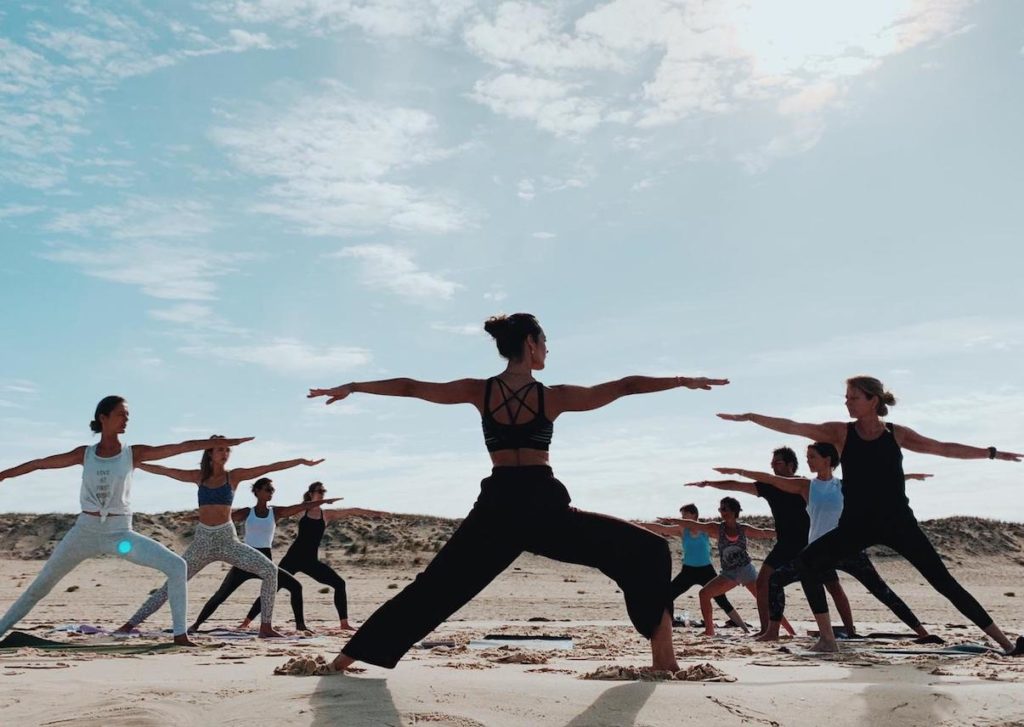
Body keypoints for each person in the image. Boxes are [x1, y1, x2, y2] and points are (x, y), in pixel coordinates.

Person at [309, 312, 729, 672]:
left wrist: (354, 386)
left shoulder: (480, 391)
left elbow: (411, 386)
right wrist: (682, 380)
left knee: (434, 587)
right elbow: (625, 386)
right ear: (530, 343)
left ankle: (342, 661)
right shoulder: (552, 397)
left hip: (498, 506)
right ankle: (664, 661)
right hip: (543, 507)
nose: (547, 350)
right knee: (648, 551)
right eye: (544, 342)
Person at [718, 375, 1024, 655]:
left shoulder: (896, 434)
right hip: (856, 525)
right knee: (808, 563)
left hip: (898, 523)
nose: (847, 403)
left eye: (853, 398)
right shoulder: (841, 432)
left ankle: (1007, 644)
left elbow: (942, 448)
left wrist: (991, 453)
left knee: (943, 581)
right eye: (846, 398)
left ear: (872, 400)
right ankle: (827, 640)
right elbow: (794, 426)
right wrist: (752, 417)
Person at [0, 395, 252, 645]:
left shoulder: (133, 454)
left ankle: (180, 636)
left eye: (128, 415)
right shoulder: (84, 454)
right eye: (121, 414)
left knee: (177, 566)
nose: (126, 420)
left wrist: (223, 442)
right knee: (39, 587)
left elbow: (180, 446)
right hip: (84, 534)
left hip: (120, 535)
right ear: (103, 417)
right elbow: (40, 464)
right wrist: (3, 475)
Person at [713, 441, 933, 644]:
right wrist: (737, 472)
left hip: (847, 547)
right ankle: (774, 632)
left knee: (879, 590)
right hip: (819, 551)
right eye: (807, 457)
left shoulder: (844, 485)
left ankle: (921, 633)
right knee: (775, 580)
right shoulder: (805, 486)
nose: (808, 461)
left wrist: (907, 476)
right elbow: (768, 479)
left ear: (827, 460)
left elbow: (876, 482)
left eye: (812, 457)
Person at [116, 441, 323, 638]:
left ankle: (265, 627)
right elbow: (166, 471)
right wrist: (136, 463)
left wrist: (300, 461)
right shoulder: (199, 477)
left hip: (227, 540)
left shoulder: (233, 476)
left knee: (270, 571)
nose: (225, 453)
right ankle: (130, 624)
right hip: (203, 542)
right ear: (209, 452)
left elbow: (270, 467)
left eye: (227, 450)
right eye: (220, 449)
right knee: (173, 582)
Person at [188, 477, 343, 633]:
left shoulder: (275, 512)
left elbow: (301, 506)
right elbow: (220, 518)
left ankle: (300, 626)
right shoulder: (247, 512)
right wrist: (194, 518)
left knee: (295, 586)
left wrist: (323, 502)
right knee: (221, 595)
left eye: (272, 490)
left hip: (265, 562)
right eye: (268, 489)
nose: (271, 492)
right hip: (245, 559)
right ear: (257, 491)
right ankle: (195, 625)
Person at [683, 446, 808, 635]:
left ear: (791, 464)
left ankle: (798, 631)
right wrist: (709, 483)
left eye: (777, 462)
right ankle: (766, 631)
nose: (773, 466)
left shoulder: (804, 485)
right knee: (763, 584)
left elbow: (763, 532)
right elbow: (737, 485)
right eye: (772, 463)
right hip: (750, 562)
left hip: (805, 543)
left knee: (824, 583)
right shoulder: (769, 487)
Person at [240, 481, 388, 633]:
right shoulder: (302, 511)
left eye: (323, 491)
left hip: (311, 561)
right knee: (272, 588)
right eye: (319, 491)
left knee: (339, 584)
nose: (322, 494)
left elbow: (353, 511)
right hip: (292, 558)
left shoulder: (326, 515)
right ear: (311, 494)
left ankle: (344, 623)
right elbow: (281, 511)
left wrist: (375, 513)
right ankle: (246, 622)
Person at [676, 496, 778, 636]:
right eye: (720, 509)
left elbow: (764, 533)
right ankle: (709, 630)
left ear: (734, 511)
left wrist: (784, 532)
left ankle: (771, 630)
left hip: (746, 570)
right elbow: (695, 525)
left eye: (724, 509)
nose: (721, 512)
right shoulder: (718, 528)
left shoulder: (743, 528)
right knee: (704, 594)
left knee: (762, 598)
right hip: (729, 573)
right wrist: (673, 520)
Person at [636, 504, 746, 629]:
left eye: (685, 515)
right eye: (681, 515)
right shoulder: (682, 530)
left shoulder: (705, 529)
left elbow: (728, 535)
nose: (682, 518)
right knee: (667, 596)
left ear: (694, 515)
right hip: (688, 572)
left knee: (722, 600)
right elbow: (660, 528)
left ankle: (744, 628)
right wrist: (639, 524)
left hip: (706, 571)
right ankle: (663, 623)